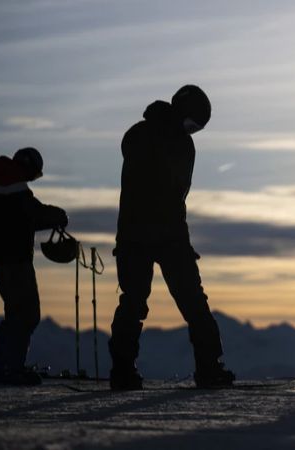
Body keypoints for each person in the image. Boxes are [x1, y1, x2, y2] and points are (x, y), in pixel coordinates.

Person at [108, 85, 234, 390]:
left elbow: (173, 197)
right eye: (192, 125)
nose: (192, 132)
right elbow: (168, 196)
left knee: (166, 301)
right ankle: (129, 370)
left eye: (197, 129)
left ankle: (204, 366)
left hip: (150, 234)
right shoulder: (158, 139)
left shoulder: (155, 137)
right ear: (181, 112)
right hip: (152, 235)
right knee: (163, 302)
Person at [0, 147, 68, 385]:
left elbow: (19, 220)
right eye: (33, 175)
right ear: (27, 166)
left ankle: (0, 367)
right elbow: (31, 213)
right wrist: (58, 215)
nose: (31, 180)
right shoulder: (12, 183)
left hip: (0, 258)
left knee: (15, 312)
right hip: (15, 259)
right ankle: (10, 369)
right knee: (27, 314)